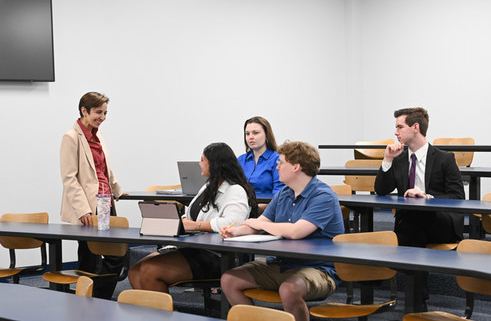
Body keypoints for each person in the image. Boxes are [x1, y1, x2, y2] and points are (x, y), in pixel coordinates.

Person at [220, 141, 344, 321]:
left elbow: (295, 232)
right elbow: (259, 222)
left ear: (296, 167)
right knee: (229, 280)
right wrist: (237, 232)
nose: (276, 166)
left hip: (319, 269)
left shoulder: (323, 196)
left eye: (281, 162)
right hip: (283, 263)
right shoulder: (284, 193)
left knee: (289, 289)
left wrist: (260, 225)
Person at [128, 142, 258, 292]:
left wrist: (196, 226)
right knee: (135, 271)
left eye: (203, 160)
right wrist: (182, 220)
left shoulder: (236, 190)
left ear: (214, 164)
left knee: (150, 270)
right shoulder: (208, 186)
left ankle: (163, 314)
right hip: (192, 248)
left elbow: (233, 224)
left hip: (216, 256)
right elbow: (189, 214)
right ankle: (151, 312)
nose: (199, 164)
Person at [60, 91, 127, 299]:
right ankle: (89, 304)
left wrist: (117, 189)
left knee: (117, 254)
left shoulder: (98, 135)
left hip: (105, 202)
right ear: (84, 110)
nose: (102, 118)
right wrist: (83, 209)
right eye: (99, 112)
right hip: (88, 206)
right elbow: (69, 178)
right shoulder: (71, 137)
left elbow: (104, 168)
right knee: (90, 256)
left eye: (105, 113)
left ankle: (98, 297)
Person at [374, 107, 465, 248]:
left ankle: (405, 267)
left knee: (413, 222)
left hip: (438, 219)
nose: (395, 132)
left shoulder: (445, 159)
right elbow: (381, 190)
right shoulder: (399, 159)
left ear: (415, 127)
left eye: (400, 127)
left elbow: (457, 197)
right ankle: (412, 267)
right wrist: (387, 160)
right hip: (409, 221)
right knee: (410, 220)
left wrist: (426, 197)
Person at [238, 117, 284, 211]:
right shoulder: (241, 160)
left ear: (267, 135)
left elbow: (279, 195)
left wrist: (254, 210)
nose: (250, 137)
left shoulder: (277, 159)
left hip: (267, 212)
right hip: (241, 209)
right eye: (247, 134)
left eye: (255, 133)